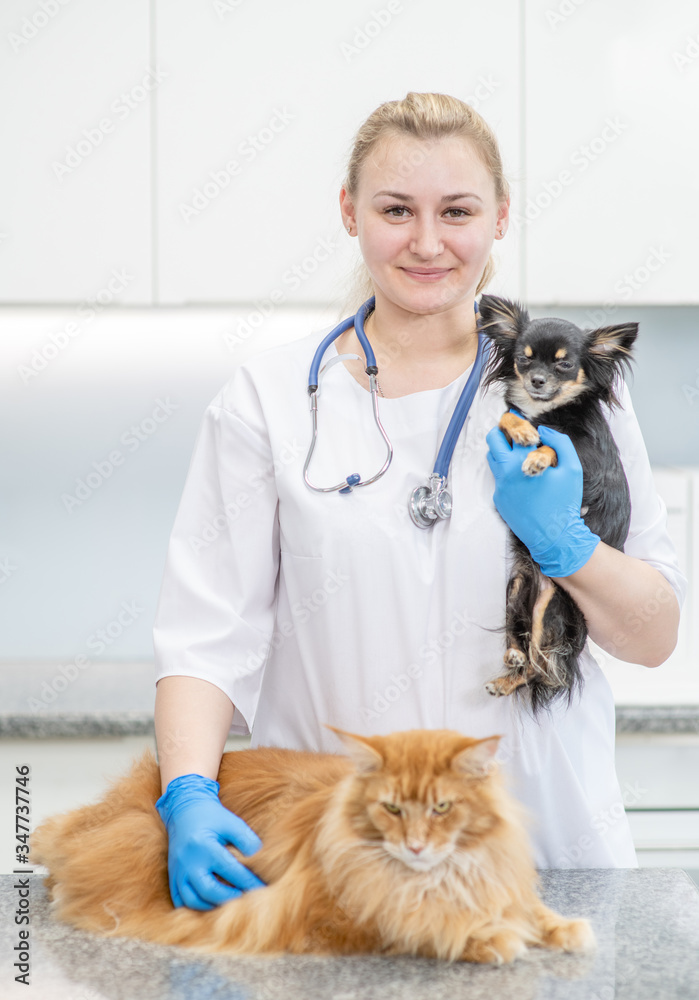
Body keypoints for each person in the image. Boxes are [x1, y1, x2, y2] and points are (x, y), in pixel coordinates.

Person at [153, 92, 685, 911]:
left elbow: (652, 637)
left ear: (499, 217)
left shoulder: (578, 403)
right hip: (339, 855)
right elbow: (205, 638)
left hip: (547, 854)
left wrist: (568, 548)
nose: (427, 242)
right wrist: (187, 793)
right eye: (396, 210)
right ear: (349, 212)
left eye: (458, 211)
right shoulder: (267, 401)